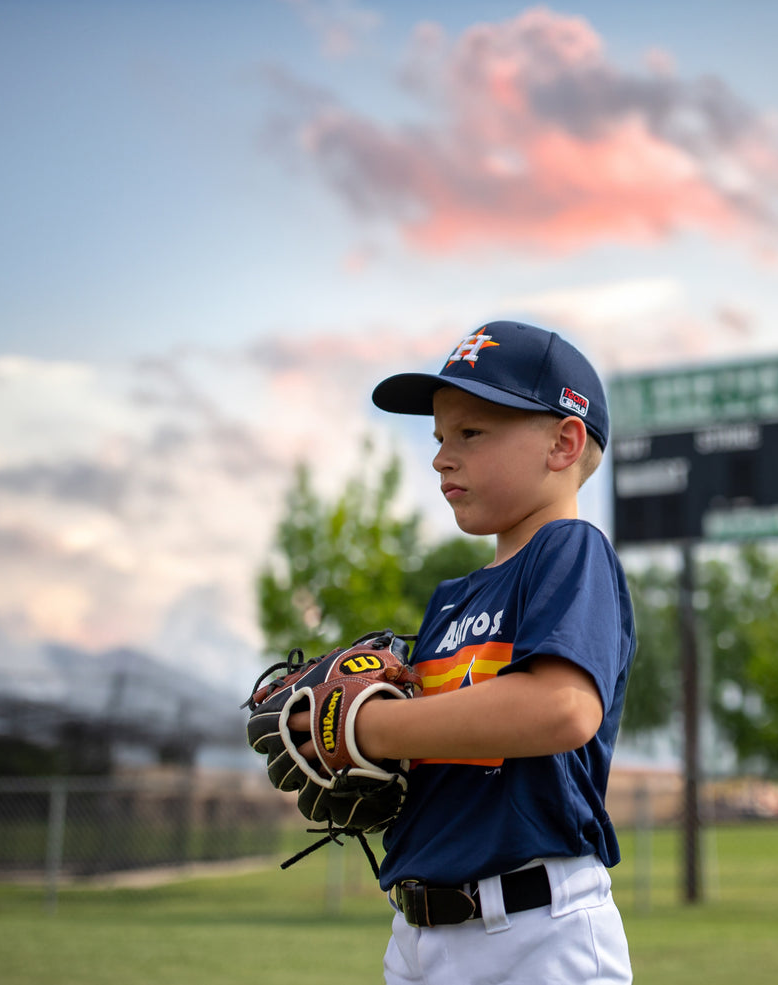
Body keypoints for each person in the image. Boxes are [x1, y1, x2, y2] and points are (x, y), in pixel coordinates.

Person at [298, 320, 636, 984]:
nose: (441, 457)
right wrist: (362, 758)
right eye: (438, 437)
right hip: (421, 932)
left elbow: (561, 707)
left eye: (470, 433)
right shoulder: (451, 599)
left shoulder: (570, 552)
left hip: (536, 933)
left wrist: (367, 725)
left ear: (563, 441)